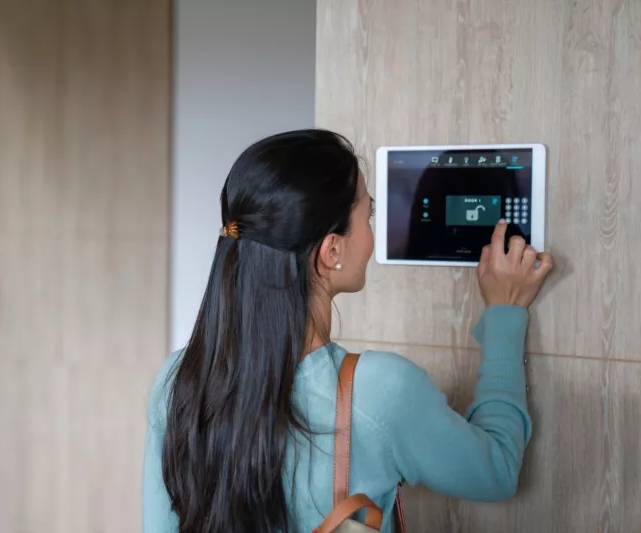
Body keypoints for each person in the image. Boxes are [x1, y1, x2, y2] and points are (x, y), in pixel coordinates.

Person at [142, 129, 553, 533]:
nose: (374, 235)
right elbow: (496, 471)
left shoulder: (179, 379)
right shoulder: (380, 390)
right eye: (368, 214)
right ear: (332, 250)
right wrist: (504, 315)